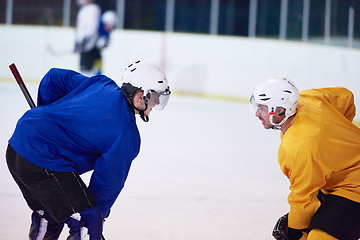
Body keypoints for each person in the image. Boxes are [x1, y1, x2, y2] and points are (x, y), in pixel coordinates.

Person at [6, 60, 171, 239]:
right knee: (87, 222)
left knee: (51, 211)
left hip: (17, 145)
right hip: (43, 161)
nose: (156, 103)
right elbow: (105, 189)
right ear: (140, 96)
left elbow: (54, 78)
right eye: (155, 97)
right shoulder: (125, 135)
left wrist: (47, 114)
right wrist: (95, 219)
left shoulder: (102, 84)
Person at [249, 77, 360, 240]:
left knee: (317, 237)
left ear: (280, 110)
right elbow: (345, 96)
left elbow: (303, 197)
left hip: (353, 189)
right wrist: (337, 137)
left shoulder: (298, 147)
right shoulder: (309, 99)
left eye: (262, 108)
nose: (257, 113)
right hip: (341, 180)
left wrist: (294, 229)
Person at [74, 0, 101, 76]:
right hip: (83, 44)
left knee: (87, 68)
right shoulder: (83, 9)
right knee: (83, 68)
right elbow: (80, 28)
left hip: (89, 44)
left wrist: (85, 40)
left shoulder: (93, 9)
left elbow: (92, 27)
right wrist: (77, 42)